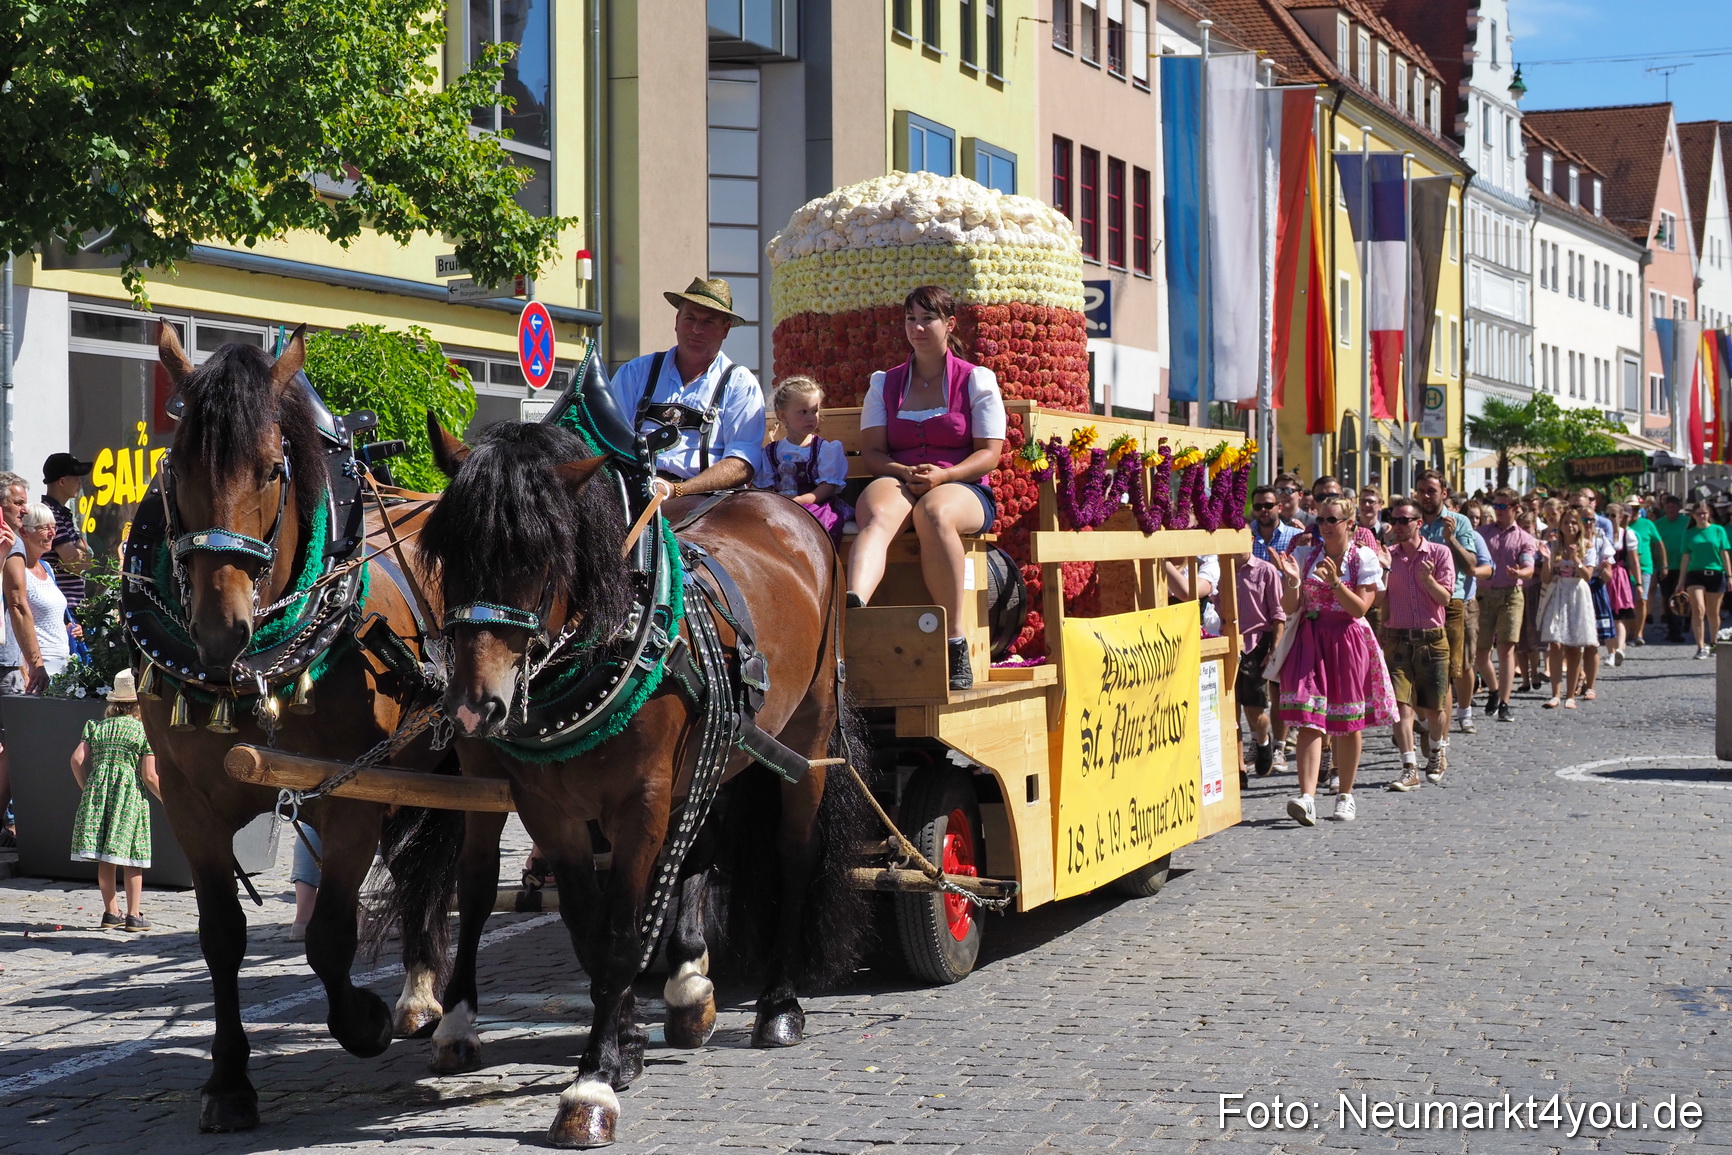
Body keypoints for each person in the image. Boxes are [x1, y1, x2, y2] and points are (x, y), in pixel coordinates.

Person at [846, 286, 1006, 690]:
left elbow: (989, 454)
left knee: (934, 511)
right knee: (879, 512)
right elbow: (873, 453)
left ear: (949, 324)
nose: (917, 327)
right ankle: (854, 610)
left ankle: (954, 640)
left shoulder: (975, 379)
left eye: (927, 319)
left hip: (961, 484)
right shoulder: (885, 383)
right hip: (901, 476)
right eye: (910, 319)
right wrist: (902, 469)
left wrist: (944, 476)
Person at [1268, 497, 1396, 826]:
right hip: (1310, 637)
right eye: (1321, 519)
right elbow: (1291, 606)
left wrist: (1336, 582)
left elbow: (1359, 610)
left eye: (1332, 520)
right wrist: (1293, 580)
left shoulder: (1363, 558)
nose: (1324, 525)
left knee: (1347, 720)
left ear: (1349, 524)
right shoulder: (1304, 555)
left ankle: (1345, 794)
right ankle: (1307, 796)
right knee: (1309, 715)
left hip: (1346, 639)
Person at [609, 277, 766, 496]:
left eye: (708, 322)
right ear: (677, 320)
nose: (696, 330)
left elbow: (742, 462)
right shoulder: (635, 372)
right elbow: (608, 439)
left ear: (726, 330)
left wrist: (678, 490)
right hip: (635, 493)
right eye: (689, 318)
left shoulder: (740, 383)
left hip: (708, 503)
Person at [68, 669, 159, 931]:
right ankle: (133, 915)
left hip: (98, 795)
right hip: (128, 796)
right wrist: (166, 799)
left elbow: (76, 759)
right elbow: (150, 775)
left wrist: (87, 787)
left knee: (105, 856)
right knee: (132, 855)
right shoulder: (143, 731)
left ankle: (111, 913)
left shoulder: (97, 727)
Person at [1379, 497, 1455, 792]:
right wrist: (1384, 568)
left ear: (1418, 523)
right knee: (1400, 706)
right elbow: (1381, 598)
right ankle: (1409, 768)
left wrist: (1428, 580)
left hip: (1431, 639)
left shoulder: (1439, 553)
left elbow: (1445, 599)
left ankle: (1436, 751)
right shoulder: (1388, 556)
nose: (1397, 526)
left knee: (1434, 709)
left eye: (1403, 521)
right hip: (1398, 638)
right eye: (1394, 520)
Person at [754, 376, 852, 547]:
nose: (810, 417)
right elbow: (765, 487)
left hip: (816, 502)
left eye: (814, 411)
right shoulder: (771, 452)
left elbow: (827, 486)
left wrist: (802, 500)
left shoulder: (824, 449)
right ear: (783, 416)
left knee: (812, 522)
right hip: (781, 503)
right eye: (803, 412)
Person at [1416, 469, 1479, 731]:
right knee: (1420, 669)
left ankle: (1457, 719)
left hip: (1454, 602)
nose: (1426, 496)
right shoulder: (1411, 520)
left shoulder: (1459, 521)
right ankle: (1425, 721)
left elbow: (1471, 566)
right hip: (1419, 603)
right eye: (1421, 491)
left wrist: (1450, 540)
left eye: (1431, 490)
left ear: (1444, 493)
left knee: (1455, 668)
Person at [1474, 488, 1538, 723]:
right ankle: (1493, 689)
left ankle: (1505, 702)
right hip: (1483, 596)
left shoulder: (1524, 538)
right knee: (1480, 653)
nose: (1499, 510)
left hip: (1511, 594)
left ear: (1515, 508)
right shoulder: (1481, 533)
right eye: (1496, 505)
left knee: (1506, 648)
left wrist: (1518, 572)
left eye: (1504, 506)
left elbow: (1529, 568)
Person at [2, 503, 78, 693]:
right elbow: (15, 614)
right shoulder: (17, 573)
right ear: (24, 533)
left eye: (54, 527)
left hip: (62, 665)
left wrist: (69, 628)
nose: (52, 533)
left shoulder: (47, 568)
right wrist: (26, 665)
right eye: (44, 527)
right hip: (36, 669)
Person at [1229, 550, 1285, 783]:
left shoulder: (1265, 570)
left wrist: (1274, 648)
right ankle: (1238, 768)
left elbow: (1278, 614)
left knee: (1254, 711)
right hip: (1226, 643)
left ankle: (1263, 740)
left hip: (1255, 645)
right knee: (1229, 711)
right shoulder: (1222, 569)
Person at [1538, 510, 1600, 709]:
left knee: (1574, 647)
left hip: (1577, 594)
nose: (1570, 526)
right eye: (1566, 522)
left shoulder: (1587, 546)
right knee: (1555, 643)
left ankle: (1570, 694)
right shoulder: (1552, 546)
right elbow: (1545, 578)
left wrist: (1576, 559)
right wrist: (1547, 561)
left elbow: (1588, 576)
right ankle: (1555, 693)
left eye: (1574, 522)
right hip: (1558, 592)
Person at [40, 453, 93, 608]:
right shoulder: (50, 516)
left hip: (69, 604)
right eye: (76, 477)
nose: (80, 483)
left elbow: (86, 560)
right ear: (62, 481)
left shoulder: (62, 515)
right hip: (63, 607)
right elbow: (76, 563)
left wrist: (78, 556)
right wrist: (78, 556)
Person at [1680, 500, 1732, 659]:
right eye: (1698, 514)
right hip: (1695, 574)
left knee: (1713, 612)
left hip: (1716, 573)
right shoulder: (1689, 533)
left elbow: (1724, 554)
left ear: (1709, 514)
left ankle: (1714, 643)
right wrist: (1680, 582)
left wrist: (1729, 576)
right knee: (1699, 609)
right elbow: (1685, 557)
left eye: (1704, 513)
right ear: (1693, 516)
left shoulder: (1718, 530)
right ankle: (1701, 646)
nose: (1702, 516)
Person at [1601, 502, 1641, 666]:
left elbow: (1634, 561)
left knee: (1619, 616)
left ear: (1620, 517)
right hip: (1605, 575)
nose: (1609, 519)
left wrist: (1638, 583)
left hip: (1619, 575)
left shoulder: (1627, 535)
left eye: (1613, 515)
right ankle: (1611, 652)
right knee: (1606, 615)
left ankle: (1619, 649)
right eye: (1607, 515)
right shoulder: (1601, 534)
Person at [1653, 493, 1691, 642]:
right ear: (1664, 508)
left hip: (1684, 566)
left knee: (1683, 598)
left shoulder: (1687, 522)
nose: (1671, 509)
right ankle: (1673, 630)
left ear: (1679, 508)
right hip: (1666, 567)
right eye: (1668, 507)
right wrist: (1660, 565)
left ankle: (1683, 624)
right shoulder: (1659, 524)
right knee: (1669, 598)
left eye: (1674, 506)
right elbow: (1654, 545)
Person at [1627, 498, 1665, 646]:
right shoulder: (1622, 526)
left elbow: (1659, 543)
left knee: (1641, 600)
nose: (1633, 512)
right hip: (1625, 567)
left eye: (1636, 509)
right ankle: (1628, 631)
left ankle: (1639, 633)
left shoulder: (1648, 524)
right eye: (1630, 509)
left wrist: (1664, 564)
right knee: (1628, 601)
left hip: (1645, 567)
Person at [1248, 485, 1301, 562]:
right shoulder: (1246, 537)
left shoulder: (1296, 536)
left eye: (1268, 505)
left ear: (1279, 507)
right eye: (1258, 506)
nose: (1263, 510)